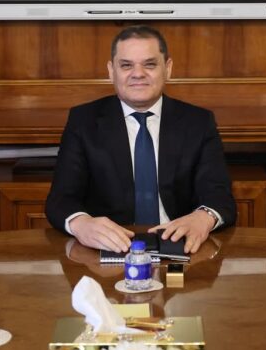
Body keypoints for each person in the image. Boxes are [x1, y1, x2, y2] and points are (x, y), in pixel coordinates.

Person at [45, 25, 236, 254]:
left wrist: (203, 218)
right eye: (126, 65)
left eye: (150, 64)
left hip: (179, 246)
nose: (138, 74)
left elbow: (219, 195)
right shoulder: (83, 121)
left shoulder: (198, 122)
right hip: (109, 248)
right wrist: (81, 224)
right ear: (111, 71)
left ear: (168, 68)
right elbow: (61, 199)